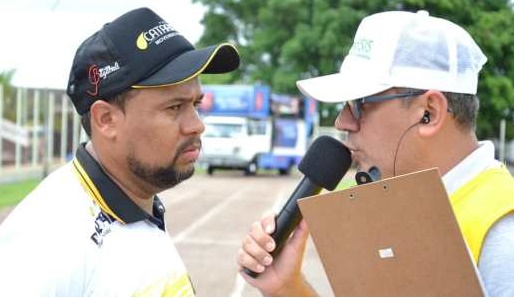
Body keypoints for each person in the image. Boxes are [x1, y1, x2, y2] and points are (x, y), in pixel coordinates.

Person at [237, 10, 514, 296]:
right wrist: (288, 287)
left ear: (429, 113)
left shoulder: (504, 236)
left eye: (360, 103)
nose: (342, 122)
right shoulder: (408, 200)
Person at [0, 7, 239, 296]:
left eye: (195, 105)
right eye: (174, 107)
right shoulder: (46, 244)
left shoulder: (135, 201)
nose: (197, 126)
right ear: (106, 120)